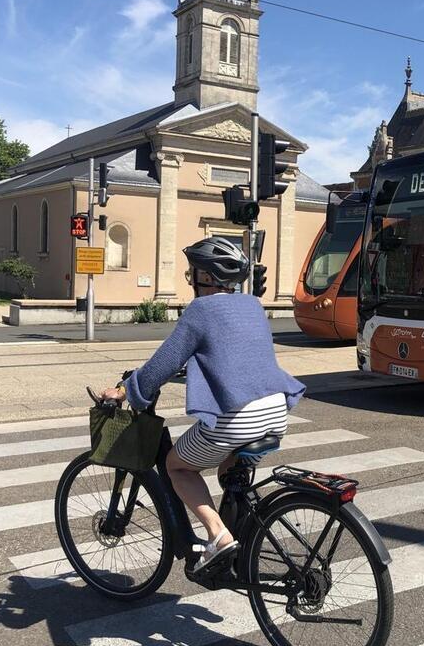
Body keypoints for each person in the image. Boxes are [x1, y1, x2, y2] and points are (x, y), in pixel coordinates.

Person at [100, 237, 305, 574]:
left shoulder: (200, 311)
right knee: (229, 468)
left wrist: (125, 391)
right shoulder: (253, 305)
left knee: (176, 466)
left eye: (192, 272)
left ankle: (219, 536)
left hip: (239, 418)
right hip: (276, 412)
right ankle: (239, 543)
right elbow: (234, 356)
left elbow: (162, 364)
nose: (190, 278)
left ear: (206, 276)